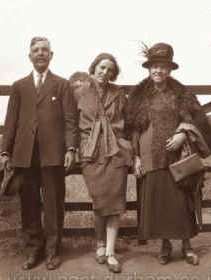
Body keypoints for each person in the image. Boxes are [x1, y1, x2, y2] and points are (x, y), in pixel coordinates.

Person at [127, 43, 211, 266]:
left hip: (178, 159)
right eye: (154, 66)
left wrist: (183, 134)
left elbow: (197, 120)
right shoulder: (139, 96)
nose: (158, 70)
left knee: (182, 202)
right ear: (149, 69)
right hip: (151, 157)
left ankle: (187, 247)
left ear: (169, 70)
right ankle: (165, 246)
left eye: (162, 66)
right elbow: (133, 129)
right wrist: (136, 158)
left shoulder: (182, 94)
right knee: (159, 205)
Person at [1, 37, 78, 270]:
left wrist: (71, 149)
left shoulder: (62, 85)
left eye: (45, 50)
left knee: (54, 204)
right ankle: (34, 250)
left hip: (53, 154)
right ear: (30, 56)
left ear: (51, 55)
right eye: (36, 50)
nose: (40, 53)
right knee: (29, 205)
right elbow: (10, 121)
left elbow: (70, 121)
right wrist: (6, 151)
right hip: (24, 156)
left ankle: (53, 251)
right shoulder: (19, 86)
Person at [74, 53, 133, 273]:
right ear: (94, 67)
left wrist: (131, 151)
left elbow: (128, 124)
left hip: (116, 151)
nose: (104, 72)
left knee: (115, 203)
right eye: (101, 67)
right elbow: (70, 123)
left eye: (109, 69)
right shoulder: (78, 93)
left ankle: (110, 251)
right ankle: (99, 243)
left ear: (113, 73)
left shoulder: (119, 94)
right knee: (100, 201)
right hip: (90, 152)